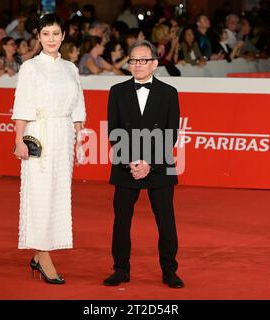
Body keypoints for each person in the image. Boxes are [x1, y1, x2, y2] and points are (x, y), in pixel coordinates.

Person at [12, 14, 86, 284]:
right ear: (38, 37)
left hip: (63, 136)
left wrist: (80, 137)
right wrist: (19, 139)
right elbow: (22, 105)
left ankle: (39, 253)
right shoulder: (30, 68)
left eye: (56, 34)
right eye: (46, 34)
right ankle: (44, 257)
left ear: (63, 36)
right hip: (39, 133)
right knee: (39, 195)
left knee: (57, 196)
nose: (51, 39)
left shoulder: (71, 68)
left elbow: (78, 104)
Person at [104, 40, 183, 289]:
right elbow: (114, 132)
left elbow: (170, 134)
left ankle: (169, 270)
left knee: (166, 220)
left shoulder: (169, 93)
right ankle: (120, 269)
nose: (137, 65)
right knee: (121, 220)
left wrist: (149, 163)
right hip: (126, 163)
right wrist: (132, 161)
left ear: (154, 64)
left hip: (159, 164)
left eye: (143, 60)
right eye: (133, 60)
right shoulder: (116, 91)